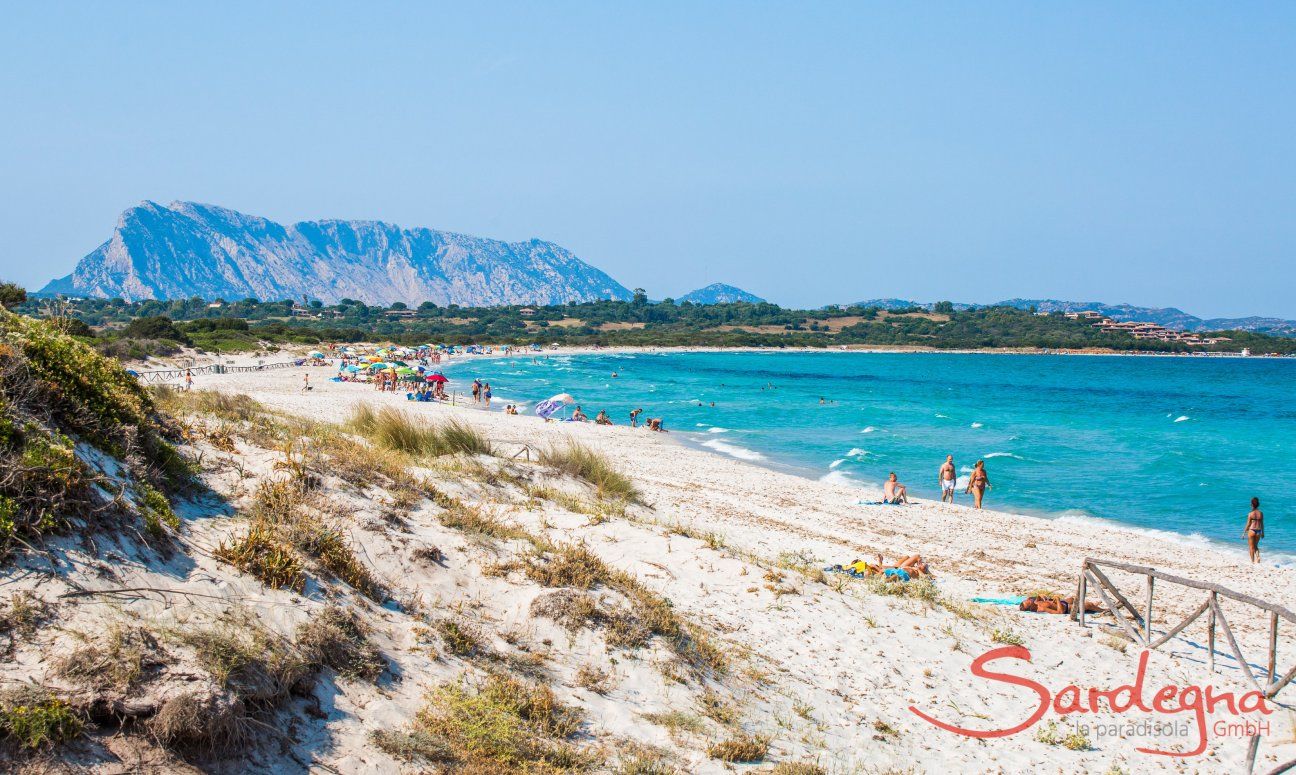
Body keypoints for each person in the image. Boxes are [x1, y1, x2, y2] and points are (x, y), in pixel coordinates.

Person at [1020, 595, 1105, 615]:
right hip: (1066, 608)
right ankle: (1103, 611)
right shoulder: (1041, 609)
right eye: (1028, 602)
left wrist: (1039, 596)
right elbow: (1059, 612)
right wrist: (1057, 600)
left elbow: (1036, 598)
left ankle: (1095, 606)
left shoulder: (1035, 602)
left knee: (1072, 598)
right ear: (1031, 607)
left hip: (1063, 602)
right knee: (1088, 605)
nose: (1029, 600)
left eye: (1027, 600)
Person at [1245, 497, 1264, 563]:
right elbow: (1262, 523)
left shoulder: (1250, 514)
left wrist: (1244, 533)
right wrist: (1263, 533)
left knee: (1251, 547)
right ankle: (1258, 557)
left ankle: (1252, 561)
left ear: (1252, 505)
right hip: (1258, 531)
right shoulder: (1261, 513)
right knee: (1256, 546)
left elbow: (1248, 524)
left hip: (1252, 530)